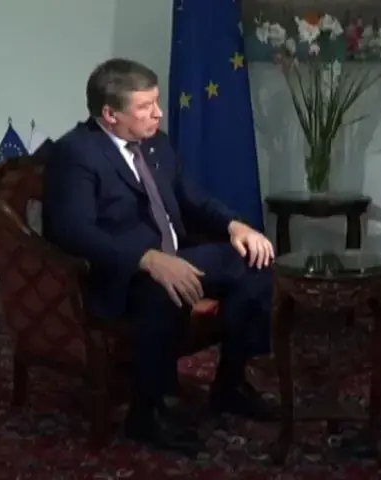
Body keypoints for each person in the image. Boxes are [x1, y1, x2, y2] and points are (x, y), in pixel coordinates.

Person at [42, 58, 276, 456]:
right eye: (145, 107)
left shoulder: (156, 144)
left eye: (156, 102)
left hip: (175, 255)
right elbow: (72, 230)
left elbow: (194, 200)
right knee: (161, 288)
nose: (158, 113)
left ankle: (231, 384)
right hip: (119, 273)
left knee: (254, 262)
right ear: (110, 114)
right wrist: (146, 258)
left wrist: (235, 225)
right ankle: (148, 411)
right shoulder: (76, 153)